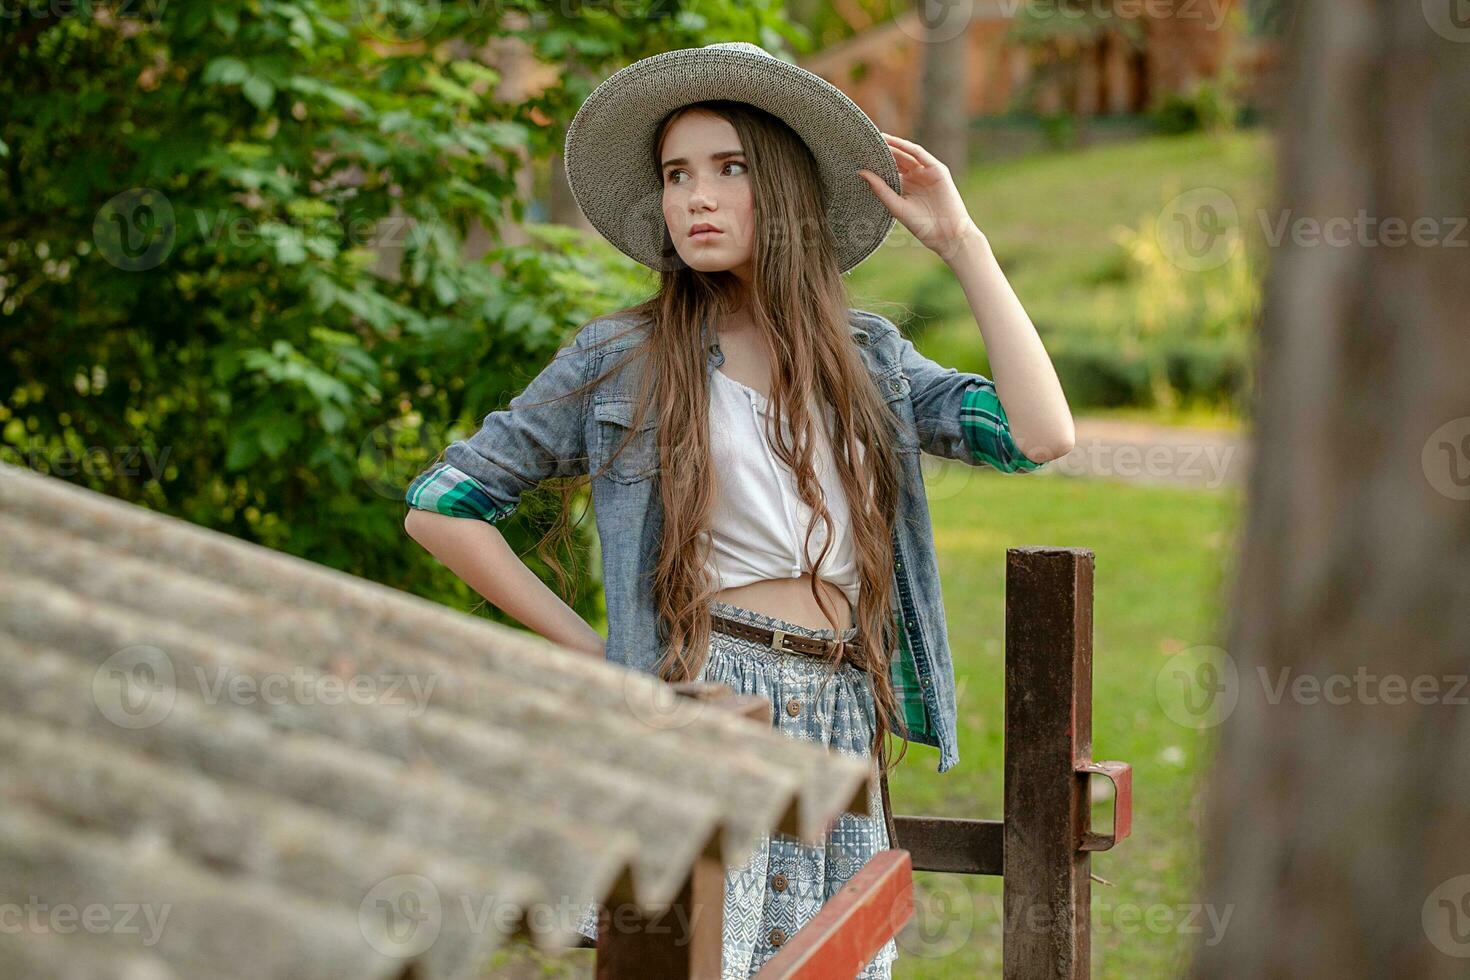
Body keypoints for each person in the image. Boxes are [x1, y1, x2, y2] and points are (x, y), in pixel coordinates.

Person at [402, 41, 1074, 979]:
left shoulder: (866, 359)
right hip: (714, 699)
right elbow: (443, 507)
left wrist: (963, 243)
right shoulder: (623, 356)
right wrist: (602, 660)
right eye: (677, 175)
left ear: (788, 191)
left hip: (843, 708)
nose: (696, 197)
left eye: (730, 169)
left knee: (831, 966)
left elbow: (1037, 435)